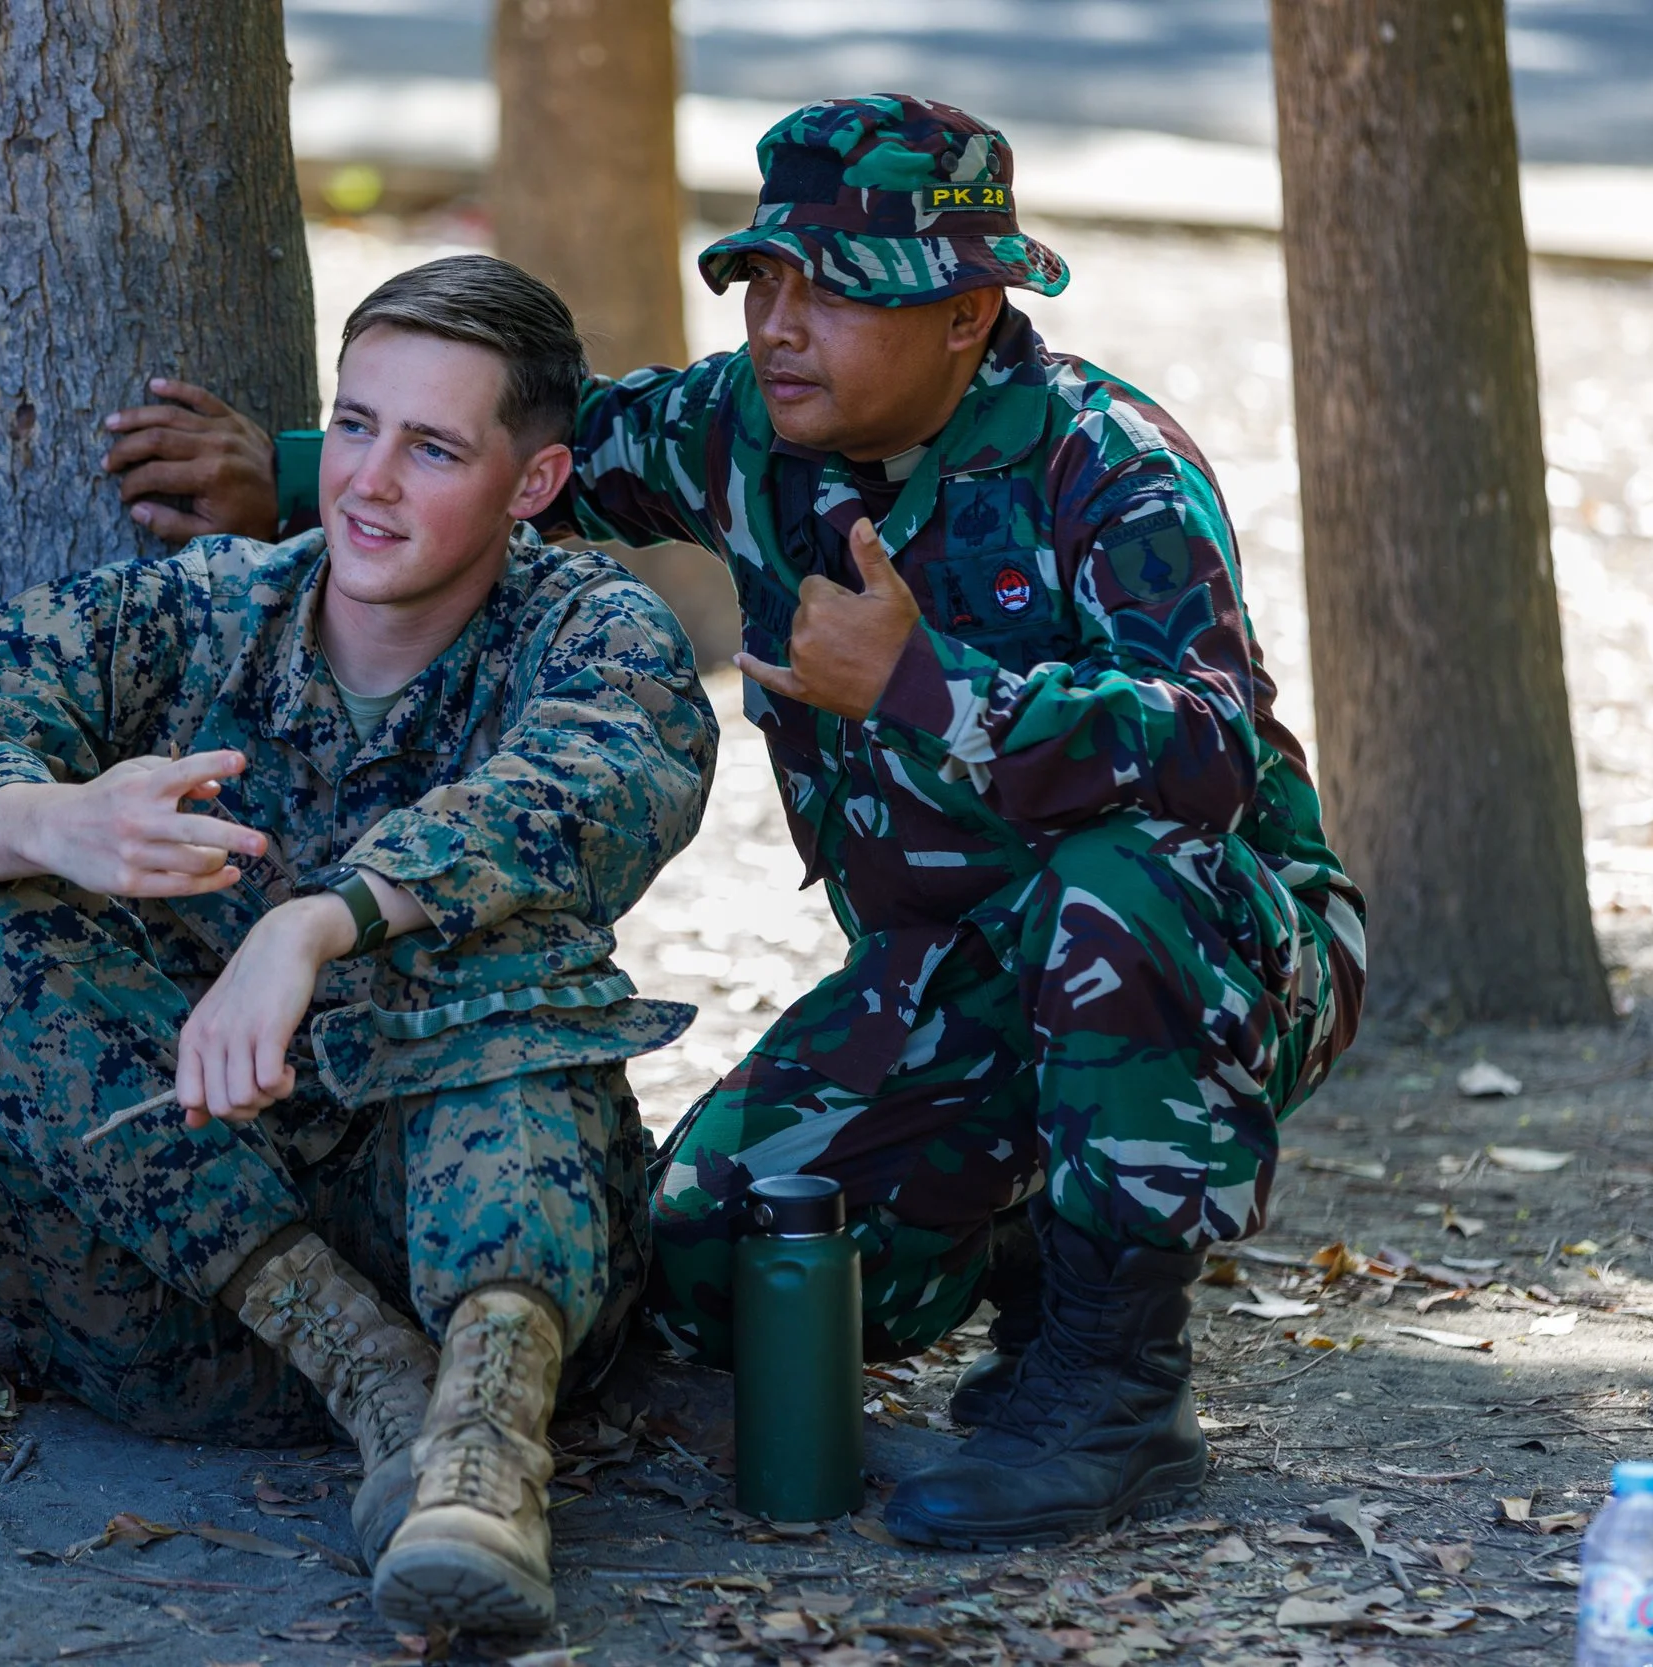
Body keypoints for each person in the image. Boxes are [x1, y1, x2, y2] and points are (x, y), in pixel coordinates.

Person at [106, 95, 1368, 1548]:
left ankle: (1112, 1383)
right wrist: (288, 466)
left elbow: (1211, 749)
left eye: (835, 292)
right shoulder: (746, 430)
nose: (779, 323)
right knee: (713, 1253)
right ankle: (1041, 1217)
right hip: (958, 969)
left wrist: (926, 686)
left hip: (1216, 955)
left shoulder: (1107, 463)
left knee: (1121, 868)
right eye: (766, 279)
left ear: (967, 313)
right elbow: (551, 445)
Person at [0, 256, 715, 1632]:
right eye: (358, 424)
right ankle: (381, 1389)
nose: (370, 480)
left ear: (534, 483)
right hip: (183, 1301)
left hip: (487, 1271)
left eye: (434, 446)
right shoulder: (194, 610)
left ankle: (486, 1450)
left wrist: (317, 925)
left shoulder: (591, 632)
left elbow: (594, 789)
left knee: (499, 939)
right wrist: (53, 817)